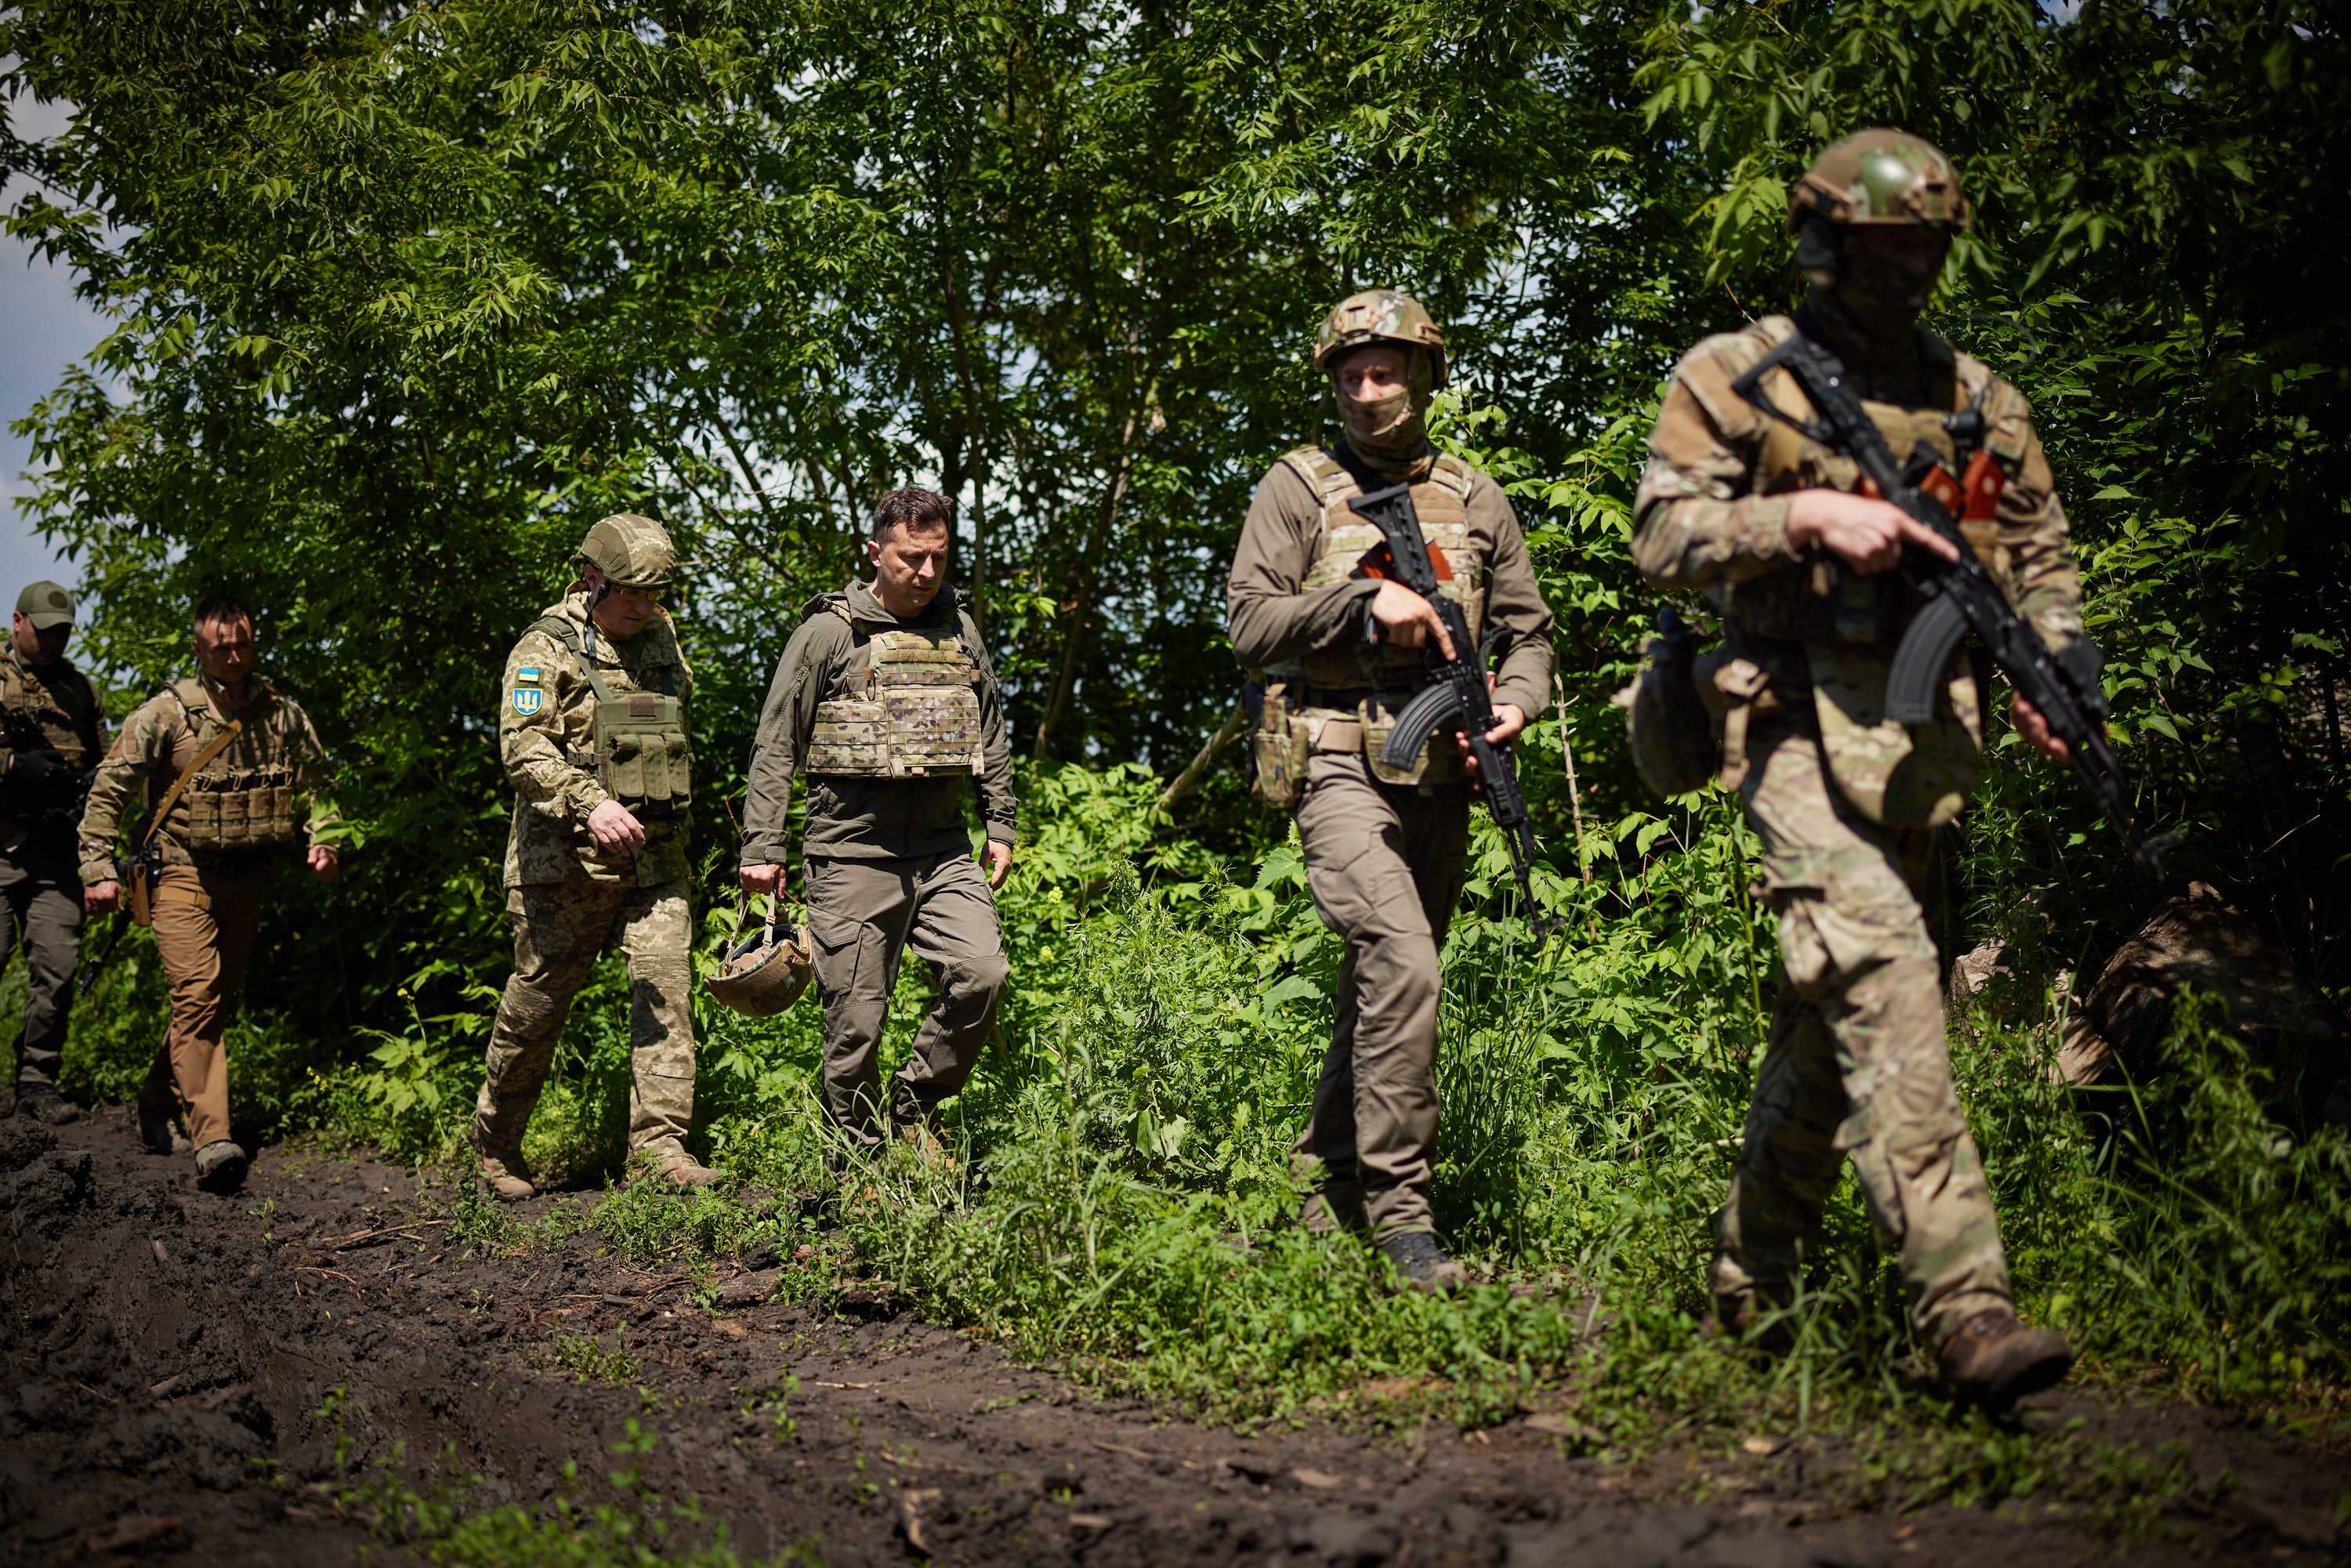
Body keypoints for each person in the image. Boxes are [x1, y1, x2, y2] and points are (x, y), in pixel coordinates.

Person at [1630, 128, 2078, 1406]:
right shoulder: (1738, 378)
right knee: (1886, 979)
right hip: (1782, 733)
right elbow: (1660, 532)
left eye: (1924, 251)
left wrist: (2059, 669)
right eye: (1882, 249)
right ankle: (1967, 1309)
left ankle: (1749, 1282)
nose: (1904, 275)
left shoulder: (1978, 401)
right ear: (1825, 241)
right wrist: (1800, 516)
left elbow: (2038, 558)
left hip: (1923, 743)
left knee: (1837, 1039)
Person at [1227, 290, 1556, 1291]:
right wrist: (1369, 599)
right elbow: (1248, 625)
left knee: (1384, 987)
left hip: (1443, 770)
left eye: (1387, 370)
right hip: (1333, 755)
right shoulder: (1298, 487)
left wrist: (1519, 706)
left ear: (1423, 372)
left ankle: (1320, 1178)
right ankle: (1402, 1221)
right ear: (1333, 382)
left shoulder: (1476, 492)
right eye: (1351, 374)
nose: (1369, 390)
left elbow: (1530, 632)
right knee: (1405, 963)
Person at [737, 487, 1015, 1161]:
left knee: (984, 973)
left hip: (945, 852)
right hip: (850, 856)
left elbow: (991, 729)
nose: (924, 572)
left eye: (937, 558)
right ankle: (858, 1165)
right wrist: (762, 845)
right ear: (875, 553)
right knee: (855, 1023)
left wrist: (1000, 824)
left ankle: (914, 1107)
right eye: (909, 557)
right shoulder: (829, 633)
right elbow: (776, 741)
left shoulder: (959, 629)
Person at [473, 514, 719, 1200]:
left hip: (654, 859)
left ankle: (660, 1150)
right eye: (632, 593)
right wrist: (589, 801)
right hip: (564, 865)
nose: (644, 607)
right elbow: (523, 747)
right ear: (591, 577)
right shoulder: (541, 650)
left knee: (666, 989)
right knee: (540, 1005)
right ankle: (496, 1144)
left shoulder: (661, 635)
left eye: (656, 592)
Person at [80, 595, 339, 1192]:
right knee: (197, 994)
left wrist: (327, 838)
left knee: (212, 1001)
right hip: (178, 873)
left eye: (243, 643)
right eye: (221, 645)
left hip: (249, 875)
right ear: (198, 647)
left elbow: (321, 783)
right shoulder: (164, 715)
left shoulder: (282, 715)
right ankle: (214, 1139)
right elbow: (108, 791)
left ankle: (154, 1104)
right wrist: (98, 866)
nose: (234, 654)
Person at [0, 582, 108, 1124]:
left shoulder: (80, 690)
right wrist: (16, 770)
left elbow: (108, 767)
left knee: (60, 969)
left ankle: (37, 1082)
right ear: (17, 621)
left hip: (55, 851)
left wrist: (88, 793)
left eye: (62, 631)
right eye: (44, 630)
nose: (53, 640)